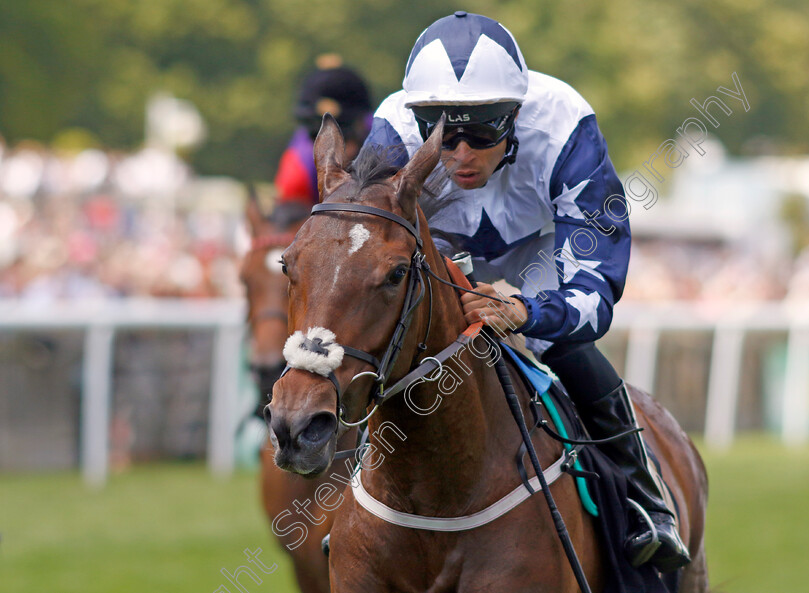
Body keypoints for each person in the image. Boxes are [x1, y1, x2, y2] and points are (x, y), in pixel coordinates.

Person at [362, 12, 690, 573]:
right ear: (420, 120)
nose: (461, 153)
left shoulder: (565, 125)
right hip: (438, 257)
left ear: (515, 116)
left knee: (559, 347)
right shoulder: (393, 132)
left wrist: (524, 310)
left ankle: (643, 498)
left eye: (482, 132)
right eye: (443, 132)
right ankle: (350, 502)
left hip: (540, 257)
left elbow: (594, 290)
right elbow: (363, 248)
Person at [274, 57, 373, 216]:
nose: (333, 150)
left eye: (344, 138)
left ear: (362, 126)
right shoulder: (297, 170)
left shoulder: (384, 145)